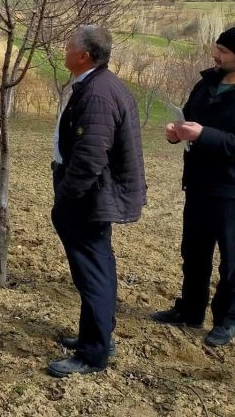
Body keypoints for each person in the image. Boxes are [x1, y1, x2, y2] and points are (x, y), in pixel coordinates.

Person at [47, 25, 146, 377]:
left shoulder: (98, 94)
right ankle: (98, 335)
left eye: (69, 45)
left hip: (90, 198)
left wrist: (66, 197)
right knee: (97, 268)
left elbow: (90, 157)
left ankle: (94, 353)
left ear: (85, 56)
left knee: (94, 273)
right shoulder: (97, 84)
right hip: (93, 195)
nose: (64, 49)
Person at [152, 27, 235, 347]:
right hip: (199, 184)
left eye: (223, 51)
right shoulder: (206, 83)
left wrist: (203, 135)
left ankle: (226, 320)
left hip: (230, 190)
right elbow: (189, 120)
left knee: (231, 262)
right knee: (194, 252)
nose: (215, 55)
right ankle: (190, 309)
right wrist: (177, 132)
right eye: (216, 48)